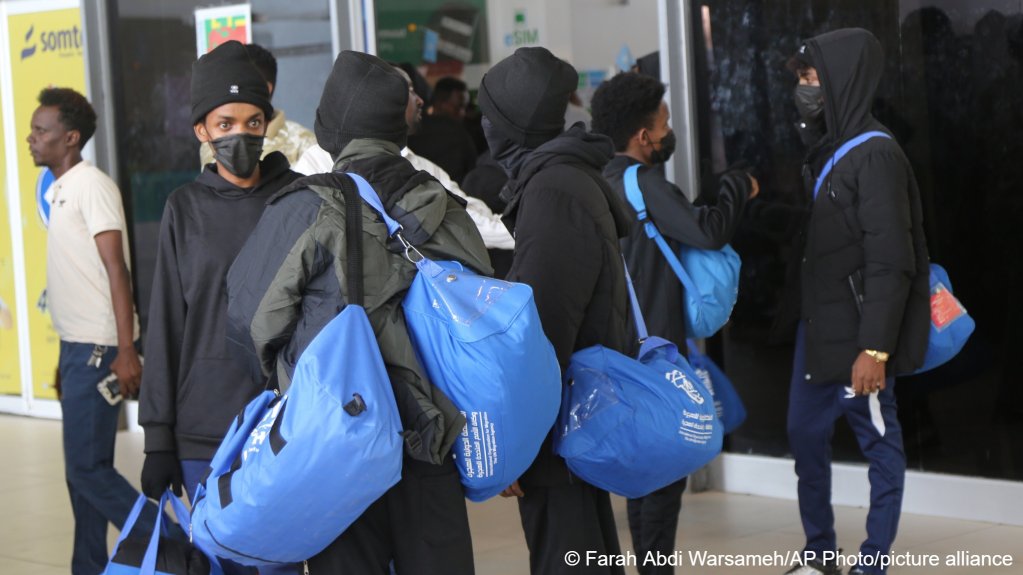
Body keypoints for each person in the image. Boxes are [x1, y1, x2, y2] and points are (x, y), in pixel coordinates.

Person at [227, 50, 490, 574]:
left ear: (330, 128)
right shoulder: (442, 202)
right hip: (430, 437)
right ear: (398, 128)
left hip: (338, 440)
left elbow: (250, 317)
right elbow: (478, 306)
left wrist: (290, 372)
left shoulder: (304, 206)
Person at [590, 71, 758, 575]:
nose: (667, 129)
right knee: (665, 476)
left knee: (644, 470)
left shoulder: (598, 180)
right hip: (657, 350)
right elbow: (707, 232)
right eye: (663, 121)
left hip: (617, 350)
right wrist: (736, 188)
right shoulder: (642, 182)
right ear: (644, 136)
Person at [780, 28, 930, 575]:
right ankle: (819, 553)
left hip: (859, 339)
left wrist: (876, 348)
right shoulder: (827, 150)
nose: (804, 88)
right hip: (817, 332)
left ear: (843, 80)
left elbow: (892, 261)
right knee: (804, 435)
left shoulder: (877, 156)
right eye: (801, 79)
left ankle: (873, 562)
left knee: (878, 444)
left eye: (811, 77)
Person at [478, 46, 631, 575]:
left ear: (514, 124)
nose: (484, 128)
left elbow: (542, 331)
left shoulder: (551, 191)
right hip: (577, 415)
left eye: (490, 117)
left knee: (566, 556)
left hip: (559, 424)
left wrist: (519, 443)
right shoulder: (562, 177)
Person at [139, 40, 300, 511]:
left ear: (267, 123)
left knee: (277, 561)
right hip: (203, 429)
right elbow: (167, 323)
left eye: (253, 122)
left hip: (284, 423)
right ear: (201, 130)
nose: (241, 136)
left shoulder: (298, 198)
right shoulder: (184, 208)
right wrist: (157, 438)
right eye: (225, 124)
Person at [30, 86, 148, 575]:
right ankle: (88, 566)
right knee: (79, 473)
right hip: (77, 348)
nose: (31, 138)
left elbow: (115, 268)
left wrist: (125, 349)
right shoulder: (60, 189)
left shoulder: (90, 185)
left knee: (88, 469)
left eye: (42, 131)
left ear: (70, 138)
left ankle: (170, 542)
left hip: (99, 350)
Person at [292, 69, 514, 253]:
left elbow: (471, 221)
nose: (420, 100)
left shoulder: (420, 166)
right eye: (408, 91)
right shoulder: (318, 161)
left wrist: (520, 233)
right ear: (381, 100)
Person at [199, 43, 316, 167]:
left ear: (266, 88)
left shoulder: (302, 141)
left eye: (242, 83)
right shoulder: (213, 138)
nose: (233, 90)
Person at [406, 76, 478, 183]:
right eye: (458, 107)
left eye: (465, 108)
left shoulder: (411, 131)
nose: (462, 113)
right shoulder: (458, 132)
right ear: (440, 103)